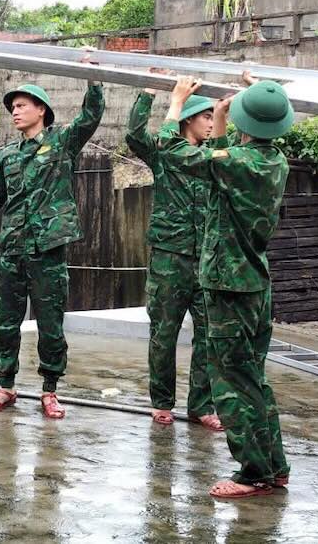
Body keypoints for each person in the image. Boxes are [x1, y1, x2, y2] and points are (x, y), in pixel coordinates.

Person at [0, 53, 104, 420]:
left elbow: (91, 116)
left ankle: (50, 390)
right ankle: (6, 386)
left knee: (51, 325)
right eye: (12, 107)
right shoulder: (8, 156)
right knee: (5, 323)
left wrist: (92, 79)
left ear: (41, 110)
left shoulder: (62, 143)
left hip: (47, 250)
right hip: (12, 250)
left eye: (21, 106)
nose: (15, 112)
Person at [157, 76, 293, 499]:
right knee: (253, 379)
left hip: (228, 286)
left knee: (231, 383)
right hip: (255, 285)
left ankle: (252, 472)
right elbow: (229, 152)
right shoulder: (274, 161)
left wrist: (177, 103)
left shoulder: (235, 162)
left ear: (244, 124)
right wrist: (238, 103)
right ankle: (275, 466)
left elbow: (171, 150)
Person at [125, 73, 222, 431]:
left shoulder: (211, 157)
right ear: (187, 120)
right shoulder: (165, 154)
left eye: (212, 117)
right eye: (205, 117)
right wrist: (150, 90)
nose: (211, 123)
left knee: (209, 335)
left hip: (207, 258)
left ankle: (202, 406)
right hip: (170, 257)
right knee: (164, 334)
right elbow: (135, 134)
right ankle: (162, 402)